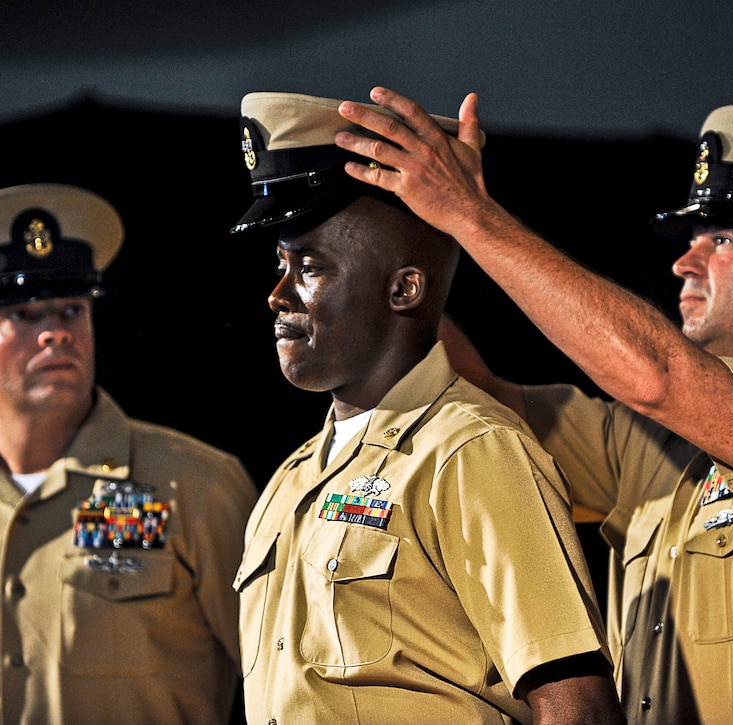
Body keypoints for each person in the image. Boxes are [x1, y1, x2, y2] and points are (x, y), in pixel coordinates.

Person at [333, 89, 733, 724]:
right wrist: (402, 246)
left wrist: (471, 216)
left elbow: (658, 375)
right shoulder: (653, 445)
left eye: (721, 239)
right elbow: (479, 397)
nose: (683, 262)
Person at [228, 92, 626, 725]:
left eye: (311, 268)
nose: (278, 295)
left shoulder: (471, 451)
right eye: (281, 265)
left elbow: (577, 708)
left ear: (404, 288)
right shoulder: (290, 481)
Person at [0, 183, 259, 724]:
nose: (55, 333)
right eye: (24, 315)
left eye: (71, 309)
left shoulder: (196, 485)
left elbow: (280, 684)